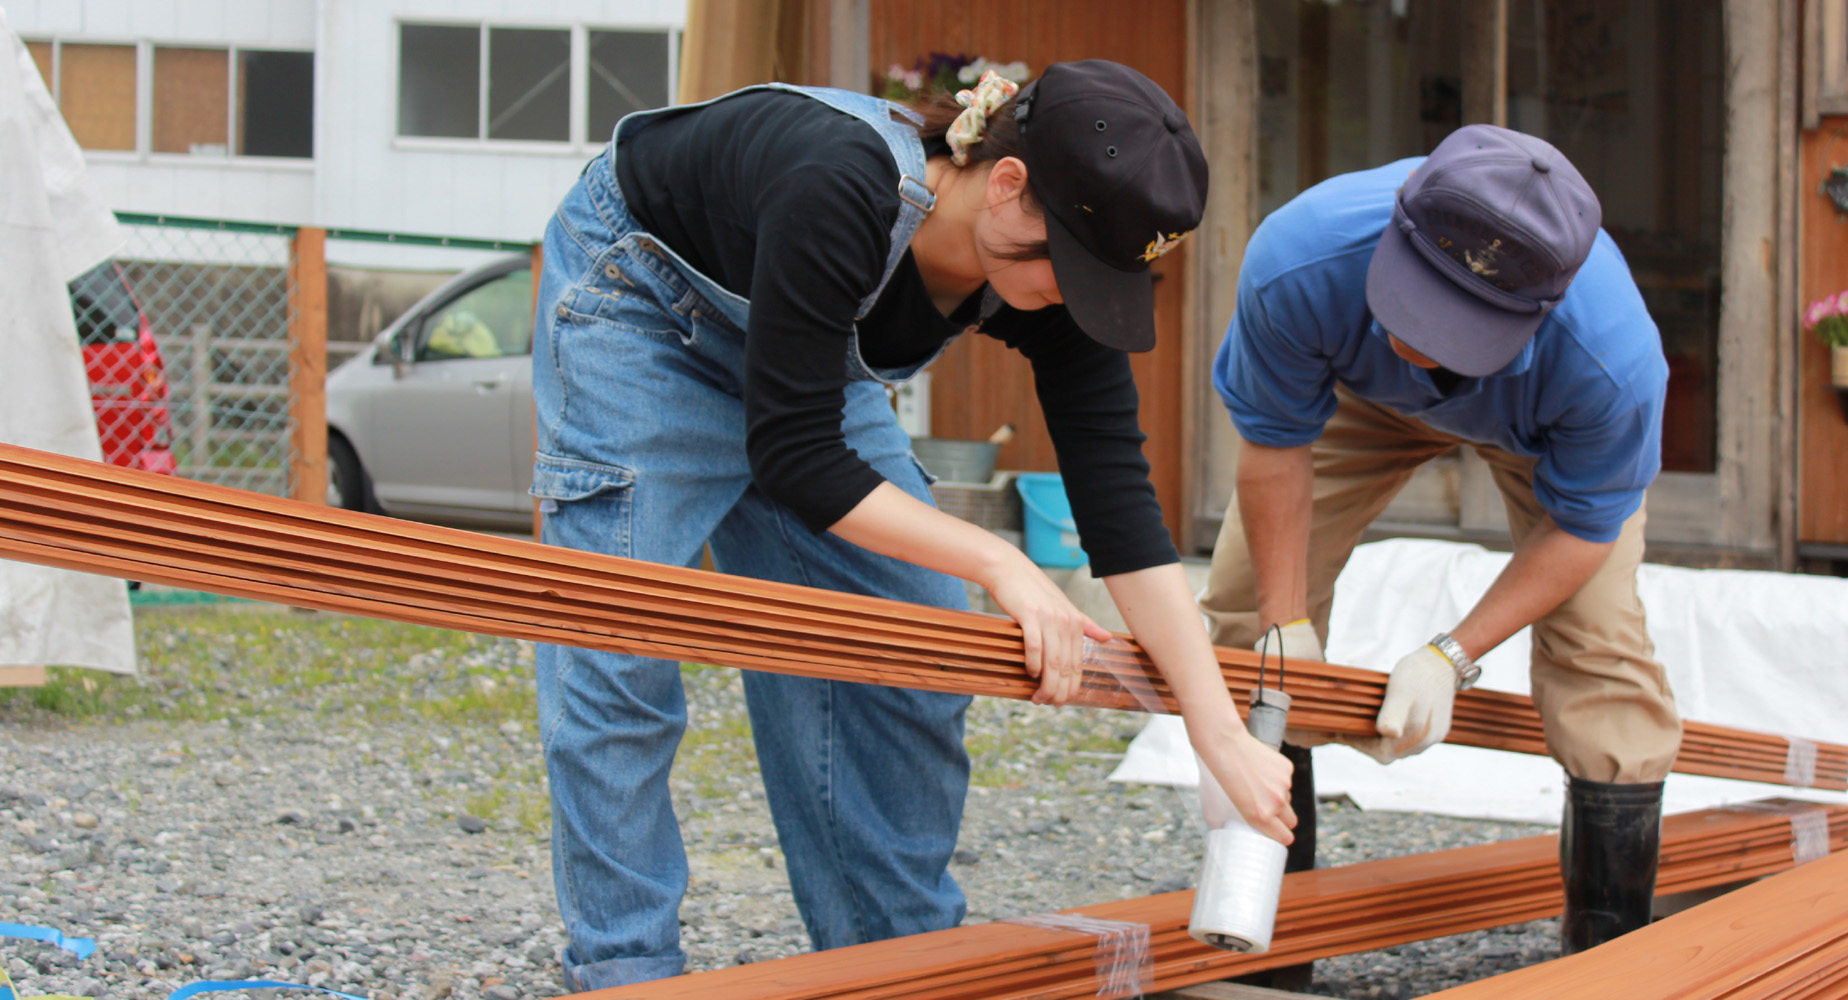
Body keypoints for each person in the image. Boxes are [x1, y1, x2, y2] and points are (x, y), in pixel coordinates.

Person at [529, 60, 1295, 990]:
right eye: (1070, 268)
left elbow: (1121, 512)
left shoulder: (1055, 274)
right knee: (620, 655)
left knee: (915, 657)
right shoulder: (841, 183)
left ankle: (893, 969)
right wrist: (1001, 561)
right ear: (1007, 184)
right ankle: (626, 974)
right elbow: (798, 456)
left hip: (804, 379)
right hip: (644, 309)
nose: (1076, 298)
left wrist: (1216, 729)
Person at [1201, 124, 1680, 955]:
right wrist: (1287, 620)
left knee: (1601, 651)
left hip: (1541, 427)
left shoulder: (1612, 362)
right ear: (1397, 231)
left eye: (1460, 327)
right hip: (1361, 398)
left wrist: (1448, 656)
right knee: (1248, 619)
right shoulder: (1303, 255)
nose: (1421, 338)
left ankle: (1606, 957)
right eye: (1414, 305)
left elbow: (1582, 530)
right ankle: (1266, 936)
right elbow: (1275, 445)